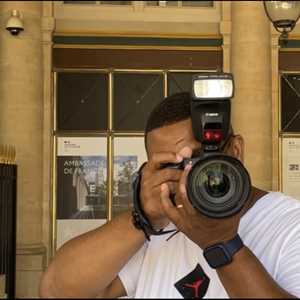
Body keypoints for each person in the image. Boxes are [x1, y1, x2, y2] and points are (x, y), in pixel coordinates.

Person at [40, 92, 300, 298]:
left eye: (201, 159)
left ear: (235, 150)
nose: (191, 174)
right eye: (171, 166)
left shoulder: (290, 225)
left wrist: (221, 244)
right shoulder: (158, 227)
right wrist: (143, 219)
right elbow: (56, 290)